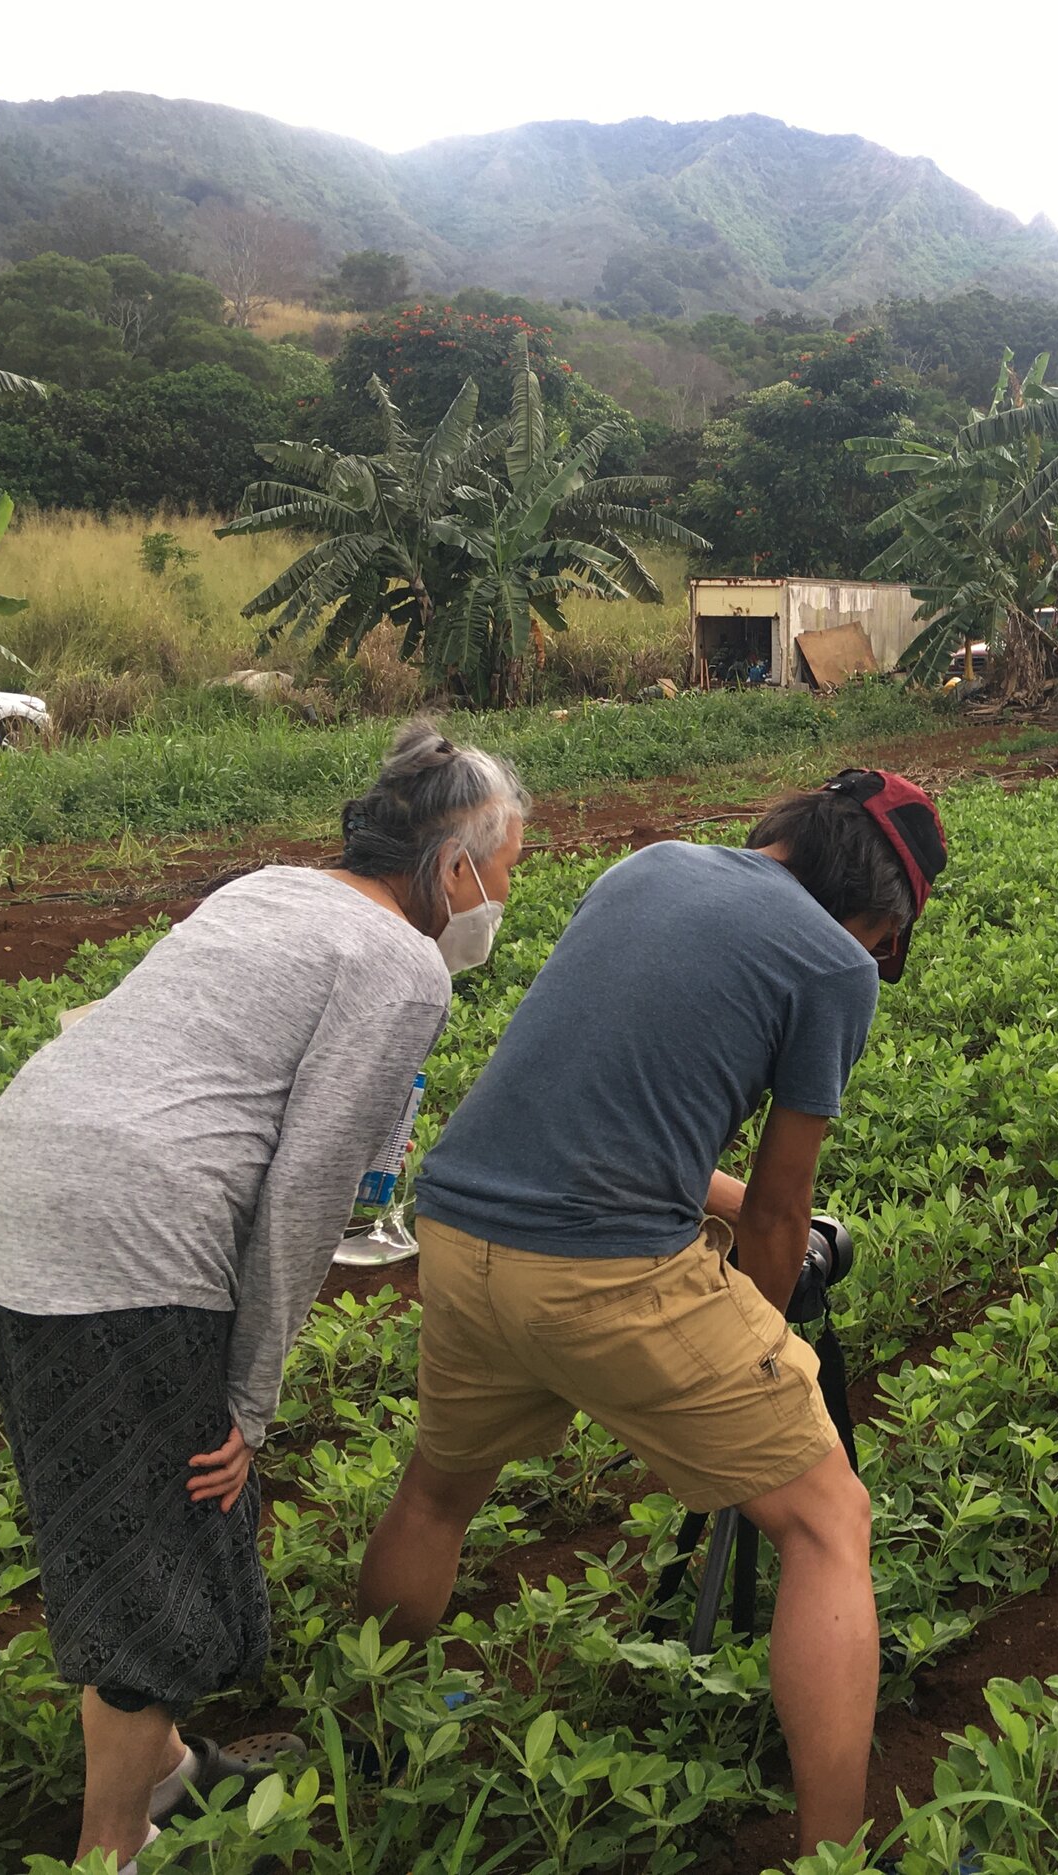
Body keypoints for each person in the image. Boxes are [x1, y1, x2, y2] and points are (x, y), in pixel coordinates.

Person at [0, 722, 527, 1873]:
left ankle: (165, 1771)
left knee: (112, 1509)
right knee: (163, 1538)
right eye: (510, 860)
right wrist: (248, 1406)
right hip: (133, 1239)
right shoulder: (400, 964)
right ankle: (110, 1850)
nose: (512, 886)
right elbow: (308, 1192)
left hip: (22, 1193)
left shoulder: (270, 888)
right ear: (454, 867)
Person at [353, 769, 947, 1863]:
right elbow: (777, 1211)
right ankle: (835, 1852)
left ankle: (357, 1745)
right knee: (828, 1524)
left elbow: (617, 1126)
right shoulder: (830, 964)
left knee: (436, 1496)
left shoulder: (649, 866)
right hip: (600, 1277)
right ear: (880, 914)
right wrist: (758, 1341)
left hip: (460, 1233)